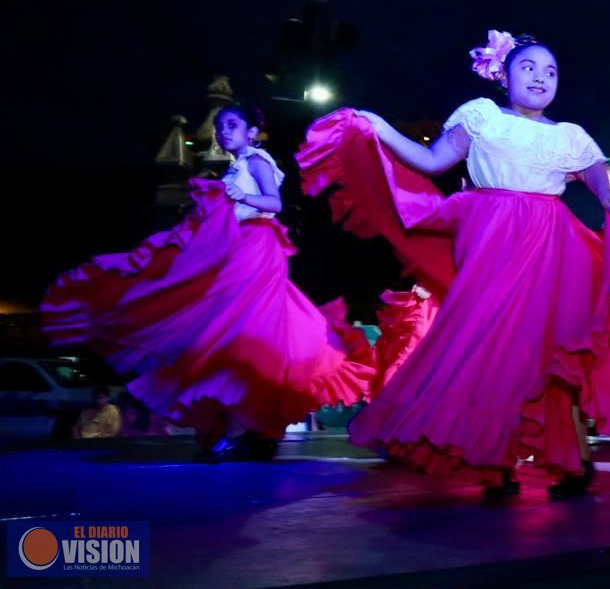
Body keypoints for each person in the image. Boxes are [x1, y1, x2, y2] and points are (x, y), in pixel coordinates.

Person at [295, 30, 610, 497]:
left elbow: (601, 188)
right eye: (528, 67)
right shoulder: (481, 116)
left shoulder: (570, 136)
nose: (540, 77)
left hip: (550, 247)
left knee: (548, 352)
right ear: (504, 75)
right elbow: (431, 161)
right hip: (489, 241)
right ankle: (495, 460)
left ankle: (571, 460)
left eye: (550, 71)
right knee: (489, 349)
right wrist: (379, 128)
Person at [42, 104, 374, 460]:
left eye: (232, 125)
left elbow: (274, 203)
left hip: (257, 244)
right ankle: (242, 426)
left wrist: (241, 197)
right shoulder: (237, 165)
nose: (222, 132)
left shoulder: (256, 159)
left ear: (251, 132)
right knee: (232, 333)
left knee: (243, 329)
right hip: (240, 244)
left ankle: (239, 427)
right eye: (219, 127)